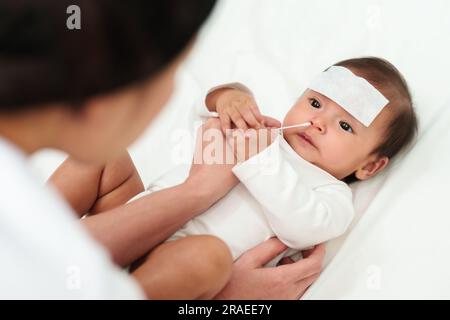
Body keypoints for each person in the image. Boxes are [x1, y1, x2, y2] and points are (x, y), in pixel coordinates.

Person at [0, 0, 325, 299]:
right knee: (205, 260)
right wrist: (225, 302)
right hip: (149, 260)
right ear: (103, 100)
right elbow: (55, 260)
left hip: (143, 238)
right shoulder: (29, 255)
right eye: (171, 77)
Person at [51, 57, 417, 298]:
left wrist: (258, 160)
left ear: (369, 167)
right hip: (133, 219)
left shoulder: (330, 194)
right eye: (316, 103)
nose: (318, 122)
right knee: (105, 158)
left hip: (171, 270)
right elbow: (202, 115)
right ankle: (29, 225)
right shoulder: (265, 131)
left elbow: (303, 226)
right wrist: (231, 98)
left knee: (207, 257)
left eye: (344, 125)